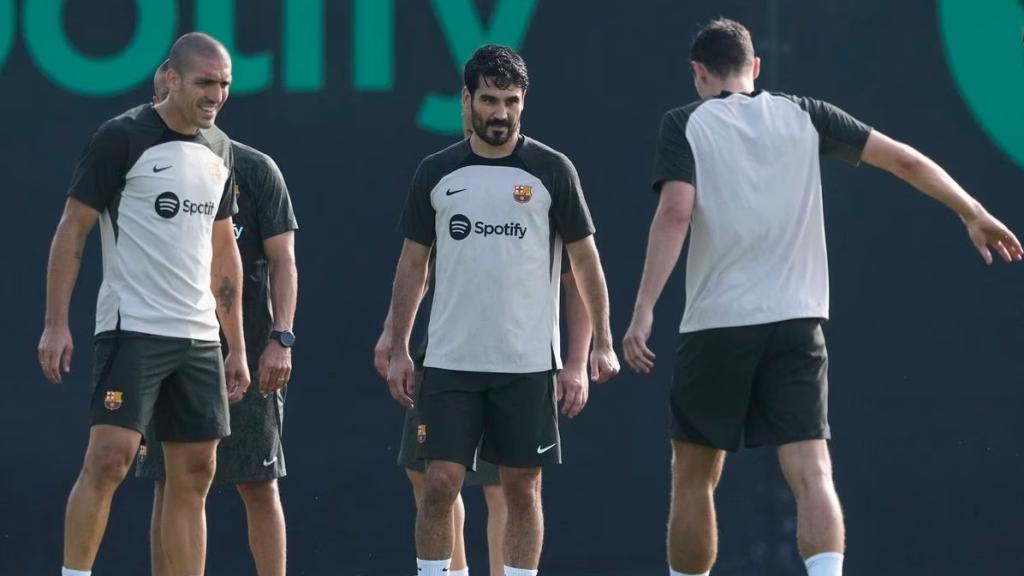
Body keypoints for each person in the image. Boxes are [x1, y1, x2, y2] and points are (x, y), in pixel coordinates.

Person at [621, 18, 1023, 576]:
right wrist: (971, 211)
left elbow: (675, 212)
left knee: (693, 476)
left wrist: (643, 309)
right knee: (813, 470)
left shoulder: (684, 124)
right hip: (797, 324)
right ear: (755, 68)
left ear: (698, 73)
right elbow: (904, 159)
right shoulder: (805, 114)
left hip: (716, 325)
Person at [386, 44, 619, 576]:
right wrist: (400, 347)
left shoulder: (551, 171)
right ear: (466, 100)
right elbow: (411, 266)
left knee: (522, 486)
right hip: (449, 360)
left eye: (511, 101)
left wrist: (599, 343)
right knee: (440, 482)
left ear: (524, 102)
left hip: (526, 363)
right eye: (489, 100)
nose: (500, 113)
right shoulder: (436, 172)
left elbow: (585, 264)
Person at [37, 32, 248, 576]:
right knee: (109, 459)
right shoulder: (121, 137)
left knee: (197, 472)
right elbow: (71, 231)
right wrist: (55, 324)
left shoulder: (220, 149)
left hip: (200, 337)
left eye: (224, 84)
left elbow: (224, 253)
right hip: (133, 329)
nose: (216, 95)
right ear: (171, 78)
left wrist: (237, 346)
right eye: (205, 82)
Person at [138, 62, 299, 576]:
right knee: (172, 479)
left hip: (247, 350)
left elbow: (283, 261)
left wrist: (281, 338)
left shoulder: (252, 168)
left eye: (218, 86)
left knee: (258, 481)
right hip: (174, 348)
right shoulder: (142, 165)